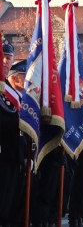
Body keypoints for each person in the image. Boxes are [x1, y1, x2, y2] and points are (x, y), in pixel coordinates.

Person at [0, 38, 27, 226]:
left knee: (11, 202)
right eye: (3, 57)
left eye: (9, 58)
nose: (6, 62)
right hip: (3, 153)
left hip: (14, 155)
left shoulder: (10, 91)